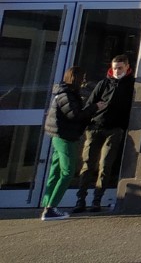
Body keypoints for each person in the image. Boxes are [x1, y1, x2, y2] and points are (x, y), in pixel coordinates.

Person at [74, 53, 135, 213]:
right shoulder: (103, 83)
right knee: (87, 164)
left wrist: (123, 126)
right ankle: (80, 200)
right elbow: (90, 103)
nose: (117, 71)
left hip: (114, 129)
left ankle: (96, 200)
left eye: (120, 68)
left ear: (127, 67)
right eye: (114, 68)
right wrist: (93, 112)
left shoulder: (131, 85)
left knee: (105, 166)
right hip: (95, 127)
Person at [40, 67, 98, 221]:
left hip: (59, 136)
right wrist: (95, 107)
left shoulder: (62, 93)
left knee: (56, 170)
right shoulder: (66, 94)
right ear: (76, 78)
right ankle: (51, 208)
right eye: (82, 78)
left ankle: (47, 205)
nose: (84, 81)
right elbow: (75, 115)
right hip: (65, 137)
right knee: (67, 172)